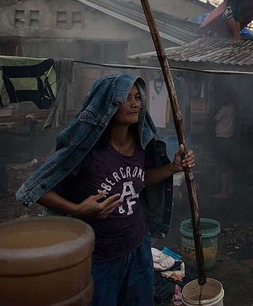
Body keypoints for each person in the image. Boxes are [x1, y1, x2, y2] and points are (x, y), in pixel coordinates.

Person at [16, 74, 194, 306]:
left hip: (138, 247)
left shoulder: (142, 143)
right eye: (126, 98)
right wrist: (78, 210)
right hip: (99, 257)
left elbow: (139, 180)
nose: (135, 103)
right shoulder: (86, 151)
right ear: (108, 104)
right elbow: (36, 190)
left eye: (138, 97)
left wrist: (173, 167)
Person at [210, 93, 236, 199]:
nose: (223, 98)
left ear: (229, 97)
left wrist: (208, 116)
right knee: (228, 164)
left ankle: (223, 192)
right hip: (229, 138)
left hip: (222, 139)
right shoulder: (233, 107)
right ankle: (230, 188)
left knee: (222, 165)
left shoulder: (225, 109)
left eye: (225, 96)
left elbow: (214, 120)